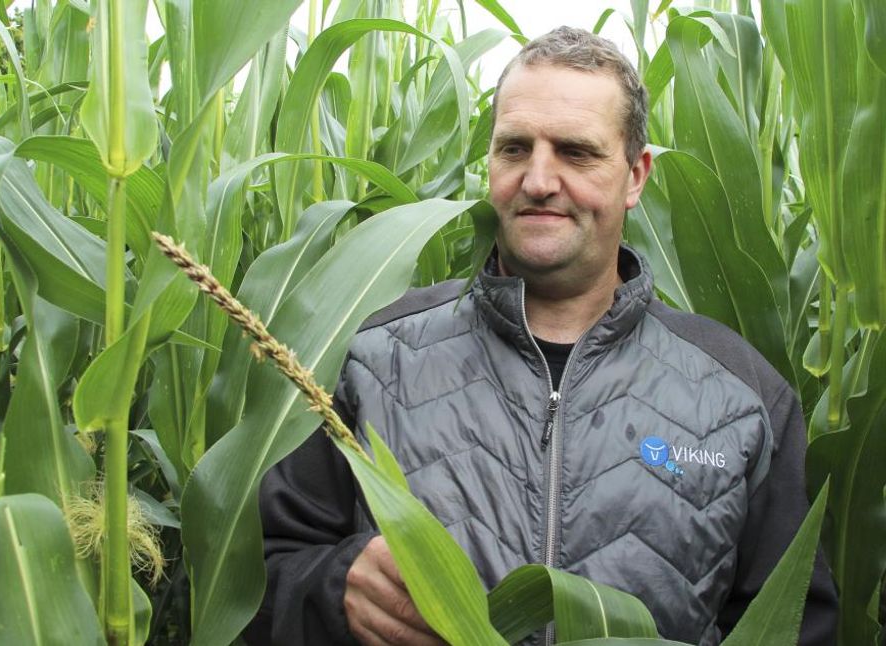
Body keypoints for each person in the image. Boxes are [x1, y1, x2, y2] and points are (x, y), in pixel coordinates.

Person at [245, 26, 838, 646]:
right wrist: (334, 589)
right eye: (515, 148)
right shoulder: (368, 358)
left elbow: (793, 621)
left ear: (636, 176)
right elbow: (251, 584)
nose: (538, 180)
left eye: (576, 152)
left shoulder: (743, 396)